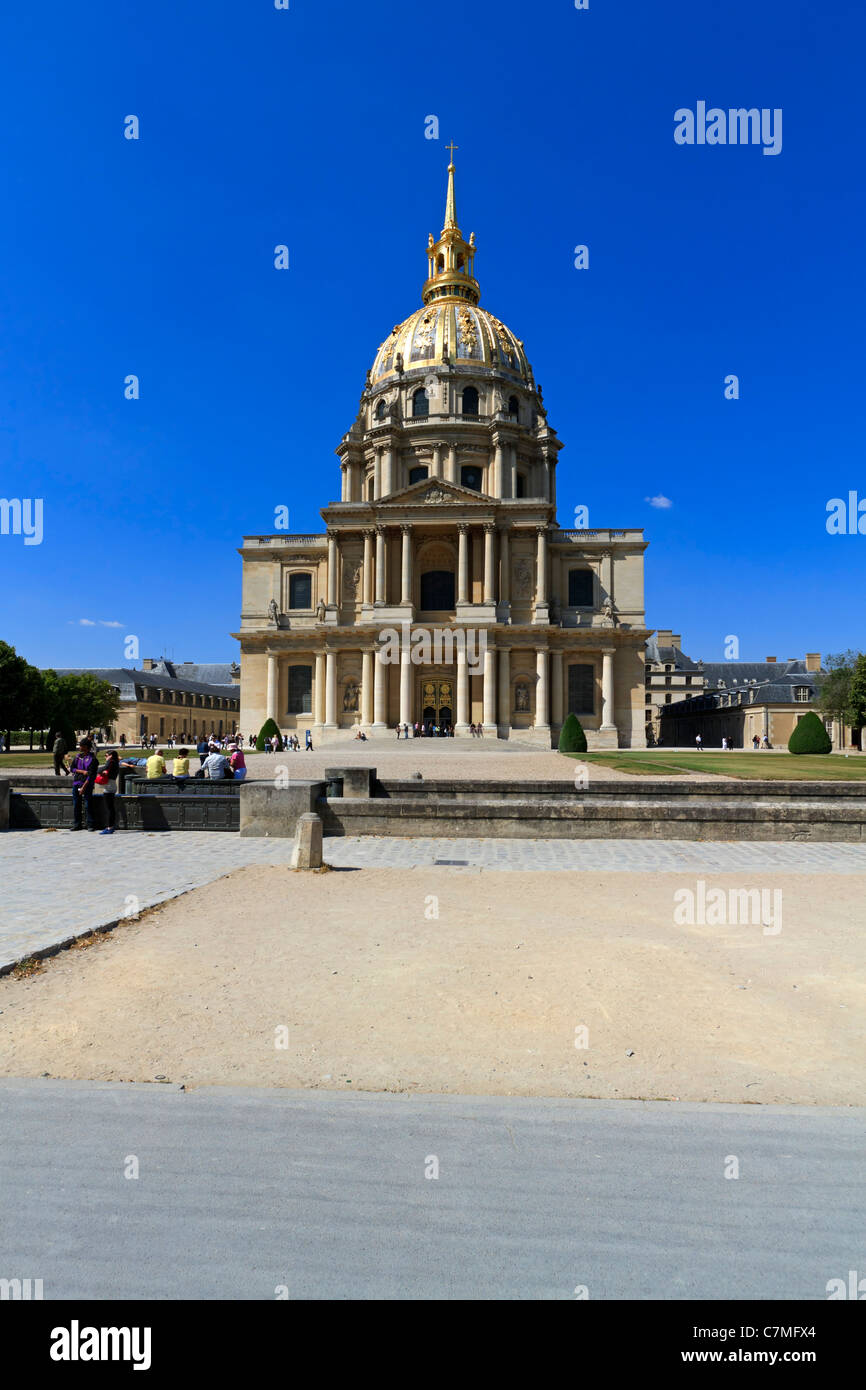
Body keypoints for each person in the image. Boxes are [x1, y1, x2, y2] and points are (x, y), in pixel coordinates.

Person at [69, 737, 99, 831]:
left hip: (87, 784)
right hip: (77, 782)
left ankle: (90, 824)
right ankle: (77, 824)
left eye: (81, 746)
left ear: (86, 747)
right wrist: (81, 771)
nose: (79, 747)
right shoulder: (78, 757)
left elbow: (91, 775)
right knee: (76, 804)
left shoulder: (92, 759)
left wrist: (84, 787)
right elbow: (72, 769)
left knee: (87, 804)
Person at [96, 749, 120, 835]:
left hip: (109, 786)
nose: (105, 757)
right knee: (110, 808)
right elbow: (106, 771)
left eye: (106, 755)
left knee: (109, 809)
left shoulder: (111, 762)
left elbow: (104, 768)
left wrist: (96, 770)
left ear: (111, 756)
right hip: (111, 785)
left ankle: (110, 827)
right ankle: (110, 826)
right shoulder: (114, 762)